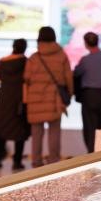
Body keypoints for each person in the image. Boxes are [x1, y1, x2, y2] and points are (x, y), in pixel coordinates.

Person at [24, 26, 74, 166]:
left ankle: (36, 162)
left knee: (36, 133)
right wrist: (69, 95)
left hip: (35, 100)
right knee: (54, 131)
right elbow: (68, 78)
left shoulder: (34, 58)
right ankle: (53, 161)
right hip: (55, 99)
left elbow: (26, 78)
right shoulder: (62, 56)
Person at [0, 38, 31, 170]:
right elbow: (28, 79)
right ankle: (17, 162)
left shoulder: (3, 61)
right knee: (20, 129)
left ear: (13, 47)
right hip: (19, 98)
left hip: (3, 98)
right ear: (24, 48)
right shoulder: (26, 62)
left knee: (1, 128)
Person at [74, 31, 101, 153]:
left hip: (89, 96)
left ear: (86, 43)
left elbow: (76, 73)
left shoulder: (85, 60)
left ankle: (91, 155)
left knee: (89, 128)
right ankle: (99, 153)